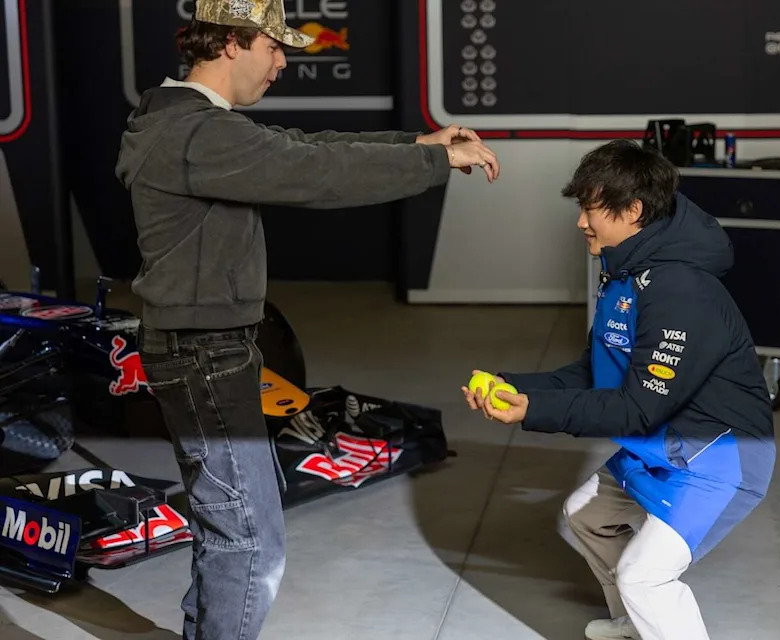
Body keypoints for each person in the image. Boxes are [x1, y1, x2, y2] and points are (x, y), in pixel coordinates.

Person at [115, 1, 500, 638]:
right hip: (205, 353)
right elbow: (316, 172)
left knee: (229, 526)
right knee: (249, 541)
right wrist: (433, 163)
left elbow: (301, 147)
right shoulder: (196, 133)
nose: (282, 62)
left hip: (205, 349)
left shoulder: (194, 124)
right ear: (233, 44)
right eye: (273, 47)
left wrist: (415, 143)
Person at [462, 140, 775, 640]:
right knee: (586, 516)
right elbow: (595, 371)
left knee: (644, 576)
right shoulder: (626, 272)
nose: (581, 222)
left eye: (590, 209)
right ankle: (635, 626)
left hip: (718, 459)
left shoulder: (682, 293)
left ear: (633, 211)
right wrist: (513, 386)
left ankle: (646, 610)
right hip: (663, 445)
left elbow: (639, 407)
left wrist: (535, 410)